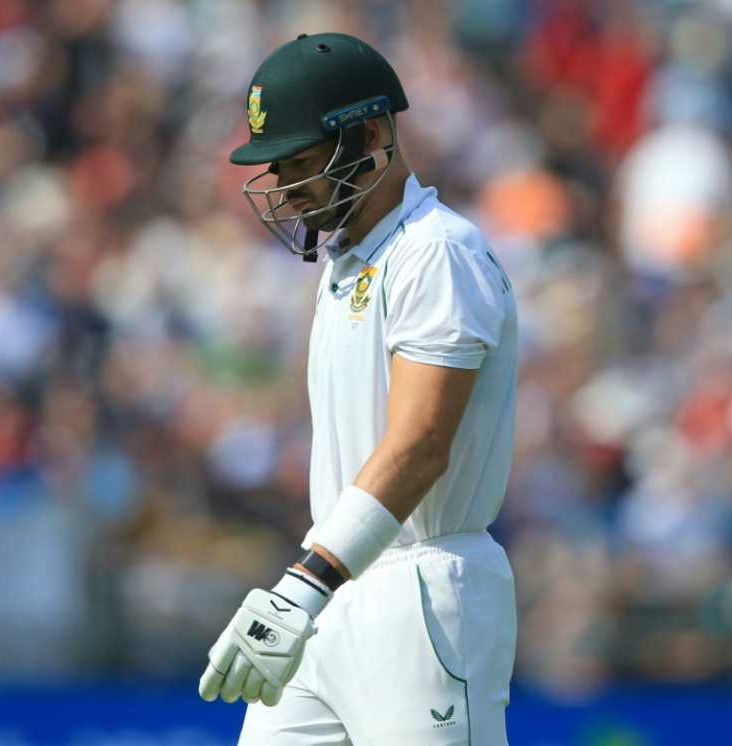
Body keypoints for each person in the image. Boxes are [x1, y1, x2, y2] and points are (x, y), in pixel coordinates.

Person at [199, 32, 519, 746]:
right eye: (276, 168)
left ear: (372, 133)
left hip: (424, 594)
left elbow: (420, 446)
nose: (284, 188)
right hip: (336, 584)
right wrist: (314, 585)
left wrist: (305, 583)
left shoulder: (437, 252)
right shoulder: (348, 260)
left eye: (303, 162)